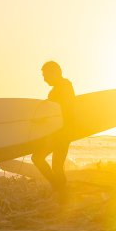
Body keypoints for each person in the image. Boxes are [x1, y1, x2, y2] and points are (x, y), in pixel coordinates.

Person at [32, 60, 75, 196]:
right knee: (44, 161)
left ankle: (61, 192)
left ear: (54, 73)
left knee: (51, 164)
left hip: (62, 133)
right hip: (56, 133)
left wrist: (47, 109)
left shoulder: (64, 87)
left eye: (45, 75)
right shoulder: (59, 89)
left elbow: (64, 109)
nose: (44, 79)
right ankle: (59, 189)